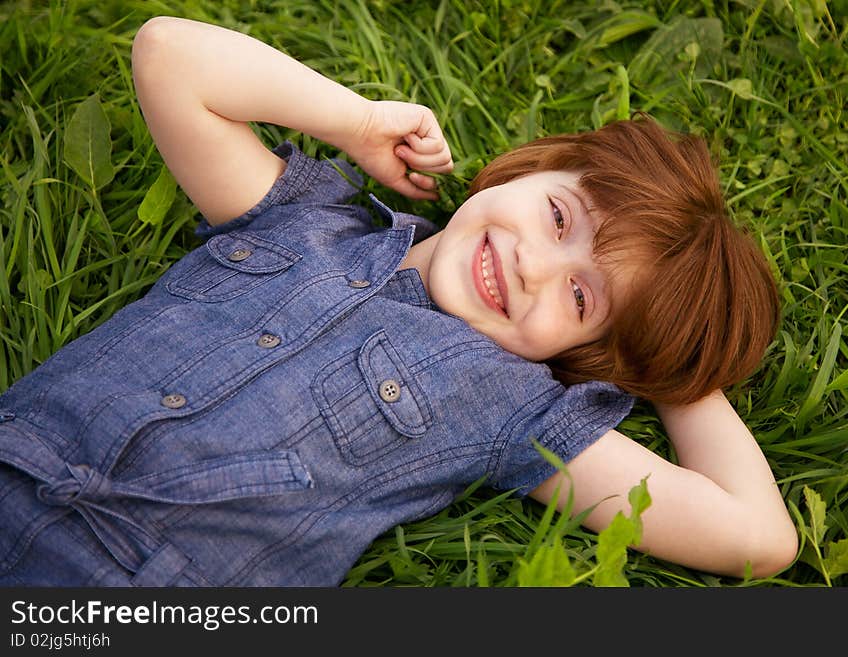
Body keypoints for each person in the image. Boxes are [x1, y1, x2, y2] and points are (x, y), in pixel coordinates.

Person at [0, 16, 798, 586]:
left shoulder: (513, 406)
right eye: (559, 218)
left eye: (583, 298)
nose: (533, 265)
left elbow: (758, 537)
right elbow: (168, 52)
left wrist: (673, 359)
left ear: (589, 354)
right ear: (533, 167)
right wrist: (355, 121)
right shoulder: (308, 215)